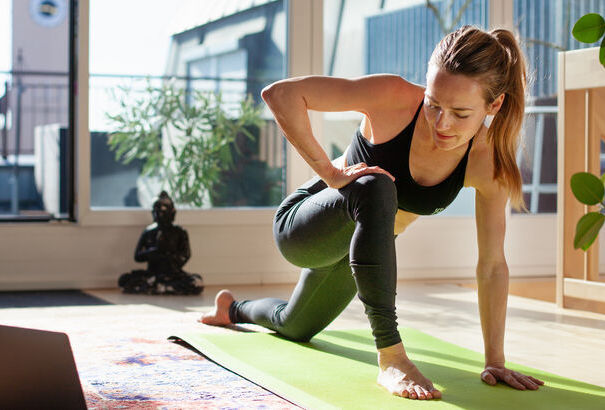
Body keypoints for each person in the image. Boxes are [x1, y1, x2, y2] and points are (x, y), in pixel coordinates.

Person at [200, 25, 545, 400]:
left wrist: (494, 359)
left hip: (362, 254)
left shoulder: (488, 163)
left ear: (493, 106)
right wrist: (330, 173)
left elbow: (492, 264)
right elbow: (281, 94)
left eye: (461, 113)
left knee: (294, 326)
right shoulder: (393, 97)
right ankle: (392, 358)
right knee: (379, 186)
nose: (441, 124)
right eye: (433, 104)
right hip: (303, 228)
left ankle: (231, 309)